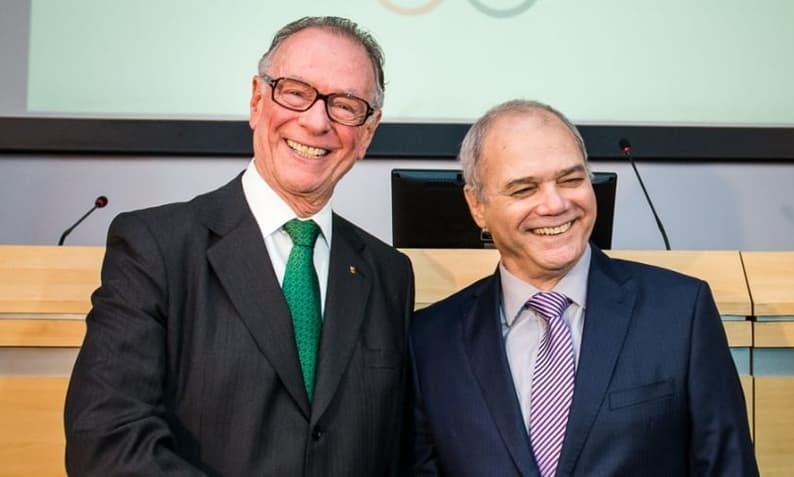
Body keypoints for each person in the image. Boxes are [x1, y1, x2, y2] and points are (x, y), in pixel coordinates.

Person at [64, 16, 414, 476]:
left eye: (346, 105)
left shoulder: (389, 274)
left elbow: (402, 454)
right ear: (256, 100)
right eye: (295, 92)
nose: (316, 121)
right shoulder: (156, 248)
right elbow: (106, 441)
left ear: (367, 132)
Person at [408, 100, 758, 476]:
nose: (555, 204)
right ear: (477, 205)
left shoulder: (680, 312)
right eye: (524, 189)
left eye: (571, 180)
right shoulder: (430, 341)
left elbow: (728, 467)